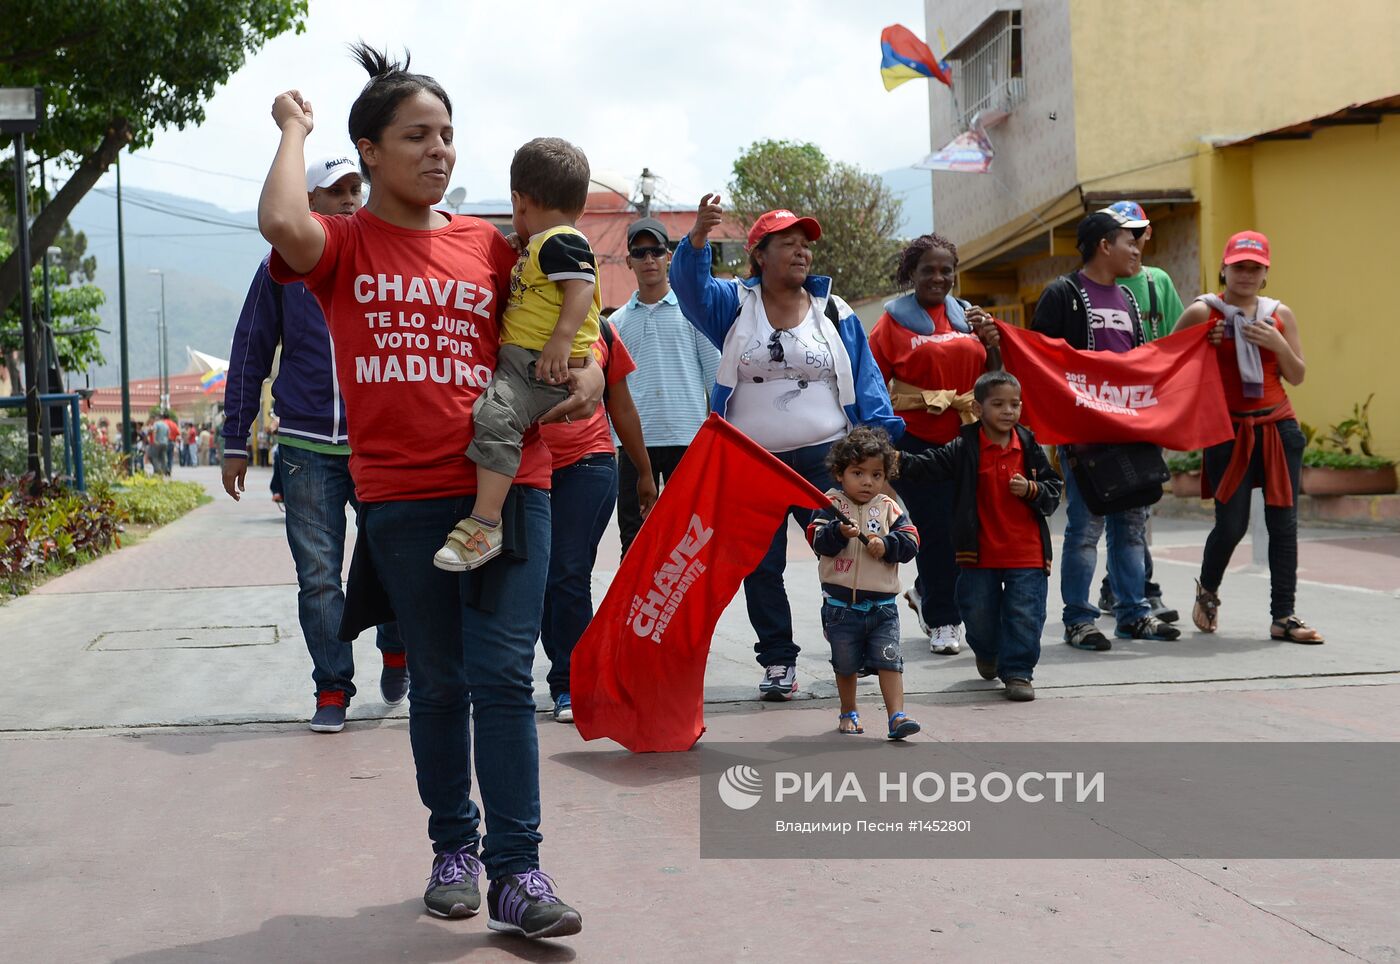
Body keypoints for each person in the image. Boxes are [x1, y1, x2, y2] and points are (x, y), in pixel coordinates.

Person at [258, 45, 592, 938]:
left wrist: (578, 385)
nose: (439, 150)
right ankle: (454, 849)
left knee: (501, 677)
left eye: (447, 134)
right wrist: (294, 129)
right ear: (368, 149)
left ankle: (518, 872)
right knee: (439, 682)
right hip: (402, 501)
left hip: (512, 486)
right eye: (416, 135)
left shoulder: (491, 245)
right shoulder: (343, 245)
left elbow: (575, 345)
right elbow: (282, 222)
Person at [671, 194, 903, 701]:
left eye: (806, 246)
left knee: (847, 548)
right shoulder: (733, 305)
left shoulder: (834, 310)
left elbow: (865, 379)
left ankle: (854, 645)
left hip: (827, 461)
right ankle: (778, 661)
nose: (802, 253)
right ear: (759, 254)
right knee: (761, 564)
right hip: (754, 463)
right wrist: (696, 241)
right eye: (788, 244)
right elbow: (687, 288)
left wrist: (882, 442)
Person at [224, 154, 406, 731]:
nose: (351, 198)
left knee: (398, 561)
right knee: (320, 575)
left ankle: (398, 647)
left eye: (357, 188)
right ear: (310, 204)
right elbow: (251, 350)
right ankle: (332, 688)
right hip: (306, 447)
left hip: (381, 443)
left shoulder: (389, 257)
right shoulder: (281, 268)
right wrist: (235, 438)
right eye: (336, 191)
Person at [433, 137, 601, 572]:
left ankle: (484, 522)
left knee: (496, 418)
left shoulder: (560, 240)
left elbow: (581, 287)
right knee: (492, 413)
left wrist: (562, 339)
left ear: (519, 201)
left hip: (537, 364)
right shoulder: (543, 243)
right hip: (526, 359)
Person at [1031, 208, 1181, 651]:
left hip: (1128, 434)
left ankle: (1133, 613)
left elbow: (1140, 362)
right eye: (1129, 241)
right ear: (1104, 245)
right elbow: (1041, 358)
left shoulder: (1130, 301)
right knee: (1084, 528)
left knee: (1131, 526)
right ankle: (1079, 619)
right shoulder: (1063, 294)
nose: (1137, 250)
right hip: (1084, 439)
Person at [1173, 231, 1322, 644]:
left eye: (1255, 268)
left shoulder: (1279, 315)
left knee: (1284, 524)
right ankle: (1208, 591)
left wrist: (1277, 342)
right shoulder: (1204, 312)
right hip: (1227, 431)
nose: (1246, 274)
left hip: (1278, 427)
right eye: (1239, 266)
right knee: (1232, 524)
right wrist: (1203, 345)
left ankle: (1283, 616)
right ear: (1224, 268)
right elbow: (1166, 361)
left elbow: (1297, 375)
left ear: (1266, 273)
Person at [869, 233, 998, 656]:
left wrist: (993, 341)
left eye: (946, 270)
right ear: (912, 274)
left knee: (965, 529)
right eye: (928, 270)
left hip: (967, 437)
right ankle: (945, 620)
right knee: (939, 531)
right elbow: (868, 382)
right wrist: (875, 447)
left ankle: (926, 590)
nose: (938, 278)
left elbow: (995, 377)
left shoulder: (971, 319)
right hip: (916, 444)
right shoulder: (891, 324)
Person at [898, 371, 1062, 701]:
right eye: (998, 403)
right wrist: (891, 460)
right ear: (976, 407)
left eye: (1015, 404)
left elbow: (1053, 489)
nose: (1008, 411)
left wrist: (1031, 489)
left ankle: (1018, 672)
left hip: (1026, 552)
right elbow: (926, 465)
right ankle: (987, 652)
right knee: (977, 612)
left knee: (1026, 614)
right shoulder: (963, 447)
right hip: (978, 553)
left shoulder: (1028, 445)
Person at [538, 320, 656, 724]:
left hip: (588, 462)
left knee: (567, 572)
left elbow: (620, 406)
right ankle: (564, 671)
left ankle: (572, 683)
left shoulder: (600, 330)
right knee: (537, 579)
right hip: (522, 469)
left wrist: (643, 471)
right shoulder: (511, 314)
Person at [1094, 200, 1186, 623]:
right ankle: (1131, 588)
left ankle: (1129, 586)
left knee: (1140, 500)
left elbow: (1174, 342)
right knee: (1104, 504)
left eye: (1139, 231)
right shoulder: (1090, 287)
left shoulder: (1157, 283)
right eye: (1124, 232)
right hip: (1106, 409)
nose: (1134, 240)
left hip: (1147, 407)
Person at [610, 217, 719, 554]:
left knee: (686, 544)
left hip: (687, 441)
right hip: (633, 446)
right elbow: (611, 394)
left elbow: (715, 380)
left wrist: (718, 444)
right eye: (639, 253)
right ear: (628, 261)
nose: (648, 260)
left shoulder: (692, 312)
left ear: (669, 256)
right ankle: (632, 608)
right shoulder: (615, 324)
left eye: (655, 251)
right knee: (634, 540)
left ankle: (682, 609)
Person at [805, 427, 921, 738]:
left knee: (890, 661)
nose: (868, 481)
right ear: (840, 473)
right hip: (841, 609)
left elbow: (911, 542)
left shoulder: (888, 507)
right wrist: (836, 533)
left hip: (883, 609)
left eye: (876, 474)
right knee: (845, 665)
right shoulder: (829, 504)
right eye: (858, 473)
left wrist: (888, 544)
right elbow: (816, 540)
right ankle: (848, 711)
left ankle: (897, 716)